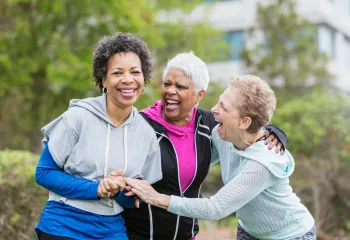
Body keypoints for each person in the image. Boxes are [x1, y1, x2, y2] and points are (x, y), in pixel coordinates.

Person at [115, 53, 287, 240]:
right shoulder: (139, 125)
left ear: (199, 95)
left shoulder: (210, 125)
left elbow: (245, 129)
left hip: (187, 235)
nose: (170, 91)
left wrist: (274, 131)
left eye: (180, 86)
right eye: (167, 84)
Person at [34, 33, 162, 240]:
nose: (128, 79)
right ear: (103, 79)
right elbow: (44, 172)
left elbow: (133, 201)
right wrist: (98, 188)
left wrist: (121, 189)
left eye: (135, 72)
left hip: (111, 229)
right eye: (117, 72)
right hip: (64, 225)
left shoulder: (146, 134)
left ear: (144, 78)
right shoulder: (77, 117)